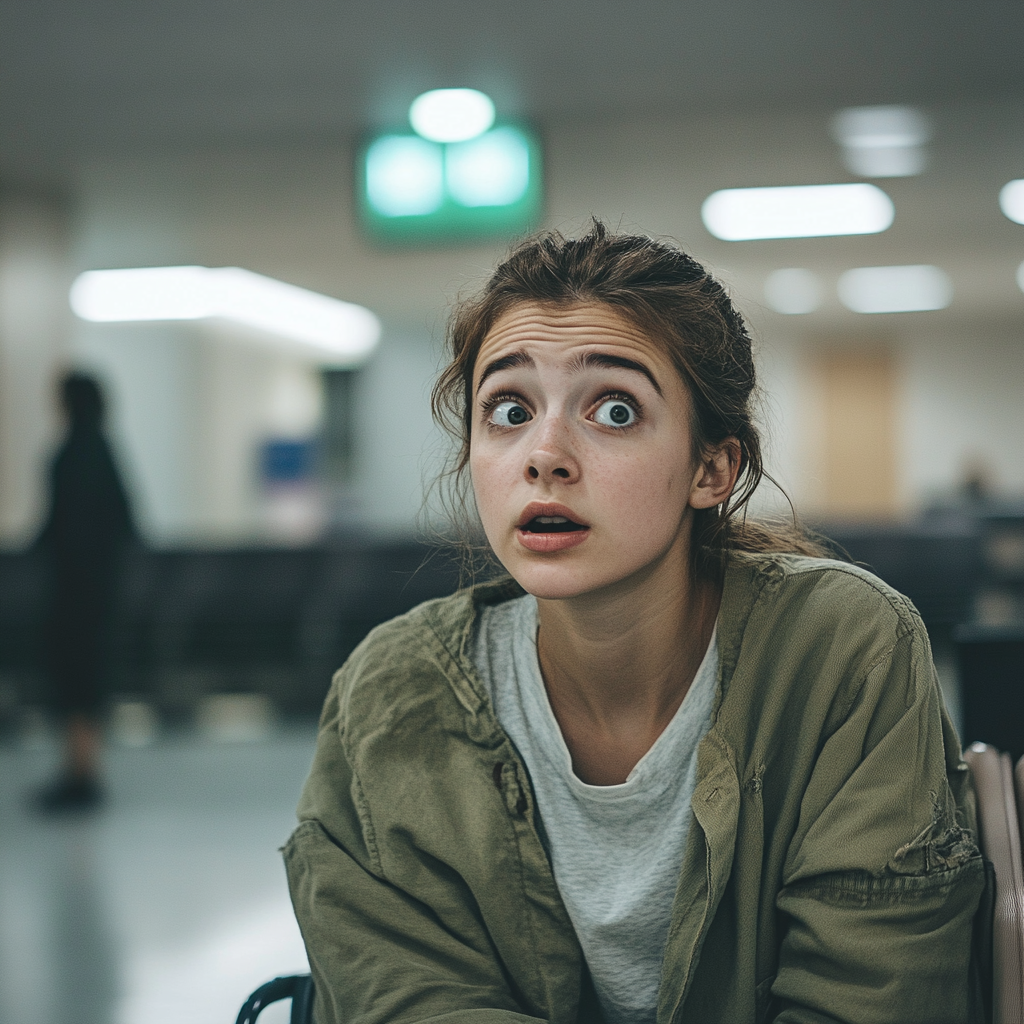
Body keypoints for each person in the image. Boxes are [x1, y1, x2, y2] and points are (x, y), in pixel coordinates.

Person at [285, 224, 986, 1023]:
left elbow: (872, 993)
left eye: (614, 410)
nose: (544, 455)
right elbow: (411, 1000)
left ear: (711, 468)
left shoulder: (841, 650)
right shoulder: (393, 695)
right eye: (508, 409)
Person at [33, 371, 136, 812]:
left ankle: (80, 773)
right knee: (88, 680)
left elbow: (57, 528)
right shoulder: (105, 450)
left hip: (74, 591)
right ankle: (83, 769)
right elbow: (129, 524)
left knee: (74, 680)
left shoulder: (72, 452)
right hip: (100, 589)